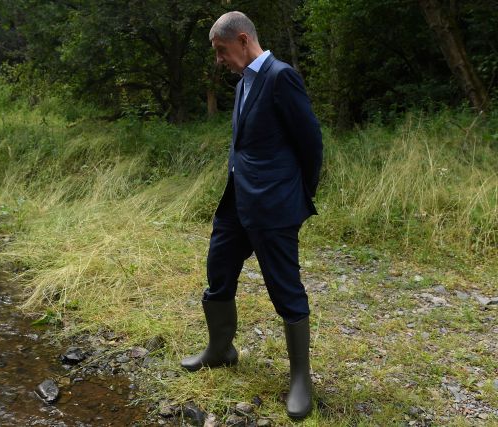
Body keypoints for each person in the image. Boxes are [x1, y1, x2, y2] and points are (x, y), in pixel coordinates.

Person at [180, 11, 323, 419]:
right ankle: (221, 349)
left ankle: (300, 379)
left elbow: (311, 144)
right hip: (236, 201)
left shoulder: (280, 77)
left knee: (284, 287)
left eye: (222, 51)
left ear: (243, 40)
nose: (219, 60)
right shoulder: (245, 80)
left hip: (274, 205)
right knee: (218, 268)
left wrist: (297, 198)